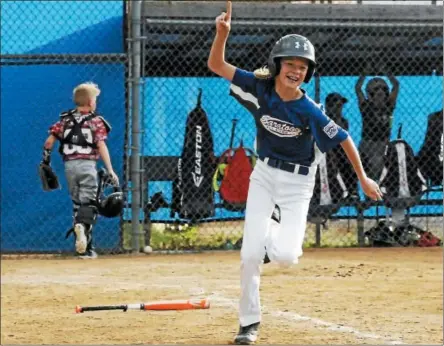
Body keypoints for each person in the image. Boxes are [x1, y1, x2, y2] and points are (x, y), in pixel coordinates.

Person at [207, 2, 383, 344]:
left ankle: (270, 228)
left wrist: (363, 177)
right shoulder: (259, 87)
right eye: (290, 63)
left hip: (298, 183)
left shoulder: (308, 109)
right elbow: (216, 64)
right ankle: (249, 324)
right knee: (249, 254)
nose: (296, 70)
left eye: (303, 67)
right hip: (264, 176)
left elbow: (344, 141)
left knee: (287, 256)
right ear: (277, 65)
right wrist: (221, 35)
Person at [41, 82, 119, 259]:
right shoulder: (95, 121)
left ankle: (83, 248)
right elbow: (101, 145)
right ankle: (83, 229)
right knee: (90, 203)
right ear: (91, 102)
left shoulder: (65, 120)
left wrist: (46, 160)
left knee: (77, 204)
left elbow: (49, 142)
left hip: (69, 167)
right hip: (87, 165)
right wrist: (110, 169)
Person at [355, 68, 399, 181]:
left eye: (383, 91)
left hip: (382, 144)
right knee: (368, 175)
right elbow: (358, 88)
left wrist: (385, 70)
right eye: (376, 91)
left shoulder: (389, 106)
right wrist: (365, 71)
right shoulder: (366, 107)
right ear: (370, 94)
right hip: (367, 143)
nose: (380, 93)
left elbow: (396, 85)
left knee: (378, 173)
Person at [325, 92, 359, 197]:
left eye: (341, 106)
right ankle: (344, 190)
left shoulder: (344, 121)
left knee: (351, 158)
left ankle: (352, 191)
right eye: (337, 106)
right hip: (328, 151)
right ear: (329, 107)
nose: (340, 109)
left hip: (341, 151)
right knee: (338, 158)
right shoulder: (324, 120)